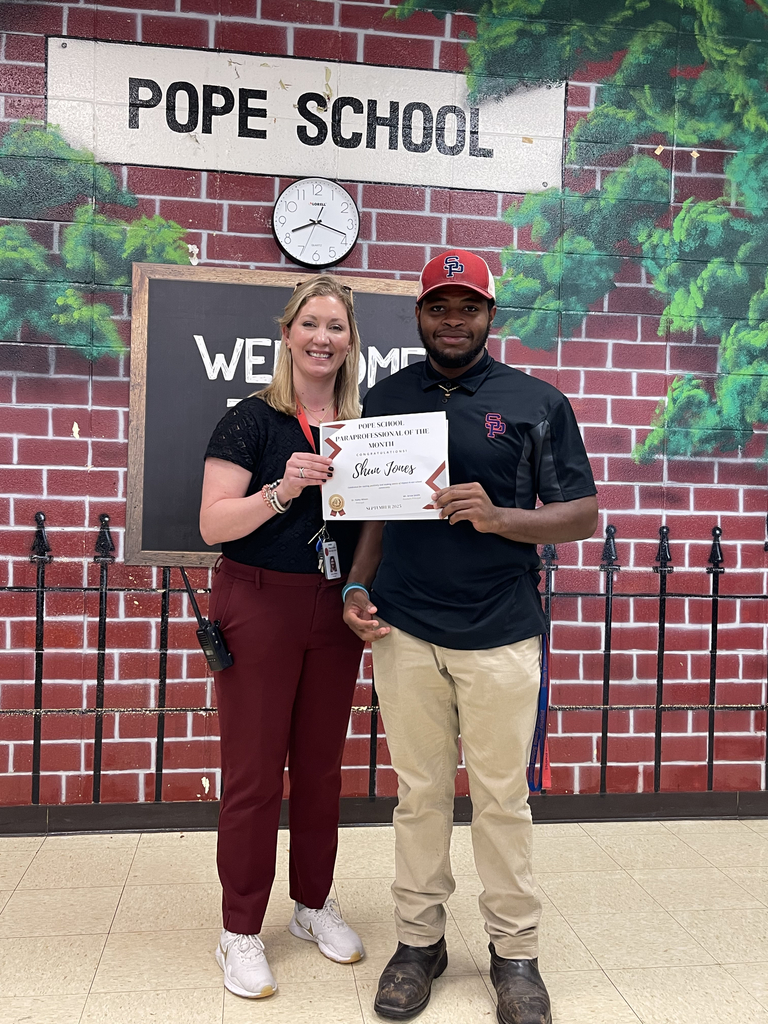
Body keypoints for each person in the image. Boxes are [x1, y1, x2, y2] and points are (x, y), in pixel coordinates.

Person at [343, 250, 598, 1024]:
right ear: (418, 315)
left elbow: (582, 514)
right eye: (438, 308)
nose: (453, 321)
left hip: (501, 632)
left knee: (501, 800)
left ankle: (514, 952)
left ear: (491, 315)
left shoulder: (534, 401)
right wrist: (357, 584)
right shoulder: (386, 398)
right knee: (419, 796)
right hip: (406, 629)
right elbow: (376, 509)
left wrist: (501, 519)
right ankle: (420, 942)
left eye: (468, 308)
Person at [200, 275, 366, 1000]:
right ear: (288, 334)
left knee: (323, 772)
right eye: (311, 323)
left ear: (351, 342)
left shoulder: (366, 426)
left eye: (337, 326)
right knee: (255, 775)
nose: (323, 337)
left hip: (334, 612)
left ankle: (310, 906)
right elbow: (213, 525)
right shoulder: (251, 420)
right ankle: (239, 930)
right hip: (258, 603)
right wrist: (281, 490)